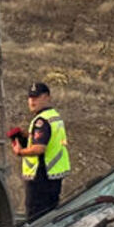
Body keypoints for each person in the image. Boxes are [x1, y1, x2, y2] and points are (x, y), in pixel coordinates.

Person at [11, 82, 70, 218]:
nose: (32, 101)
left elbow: (39, 148)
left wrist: (20, 152)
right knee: (49, 218)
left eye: (36, 97)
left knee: (36, 219)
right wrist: (28, 136)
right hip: (53, 174)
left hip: (41, 176)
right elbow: (50, 141)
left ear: (47, 97)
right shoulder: (54, 116)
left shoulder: (41, 121)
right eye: (30, 97)